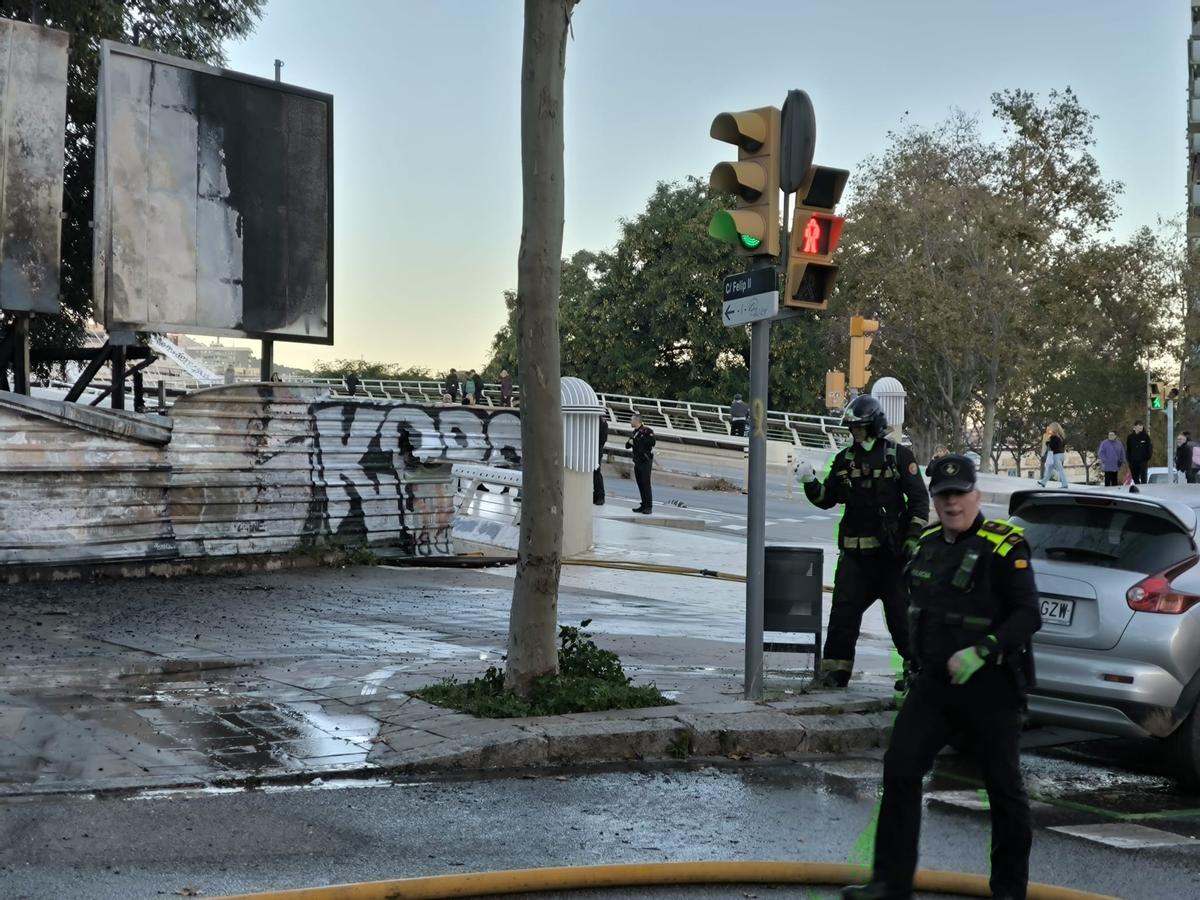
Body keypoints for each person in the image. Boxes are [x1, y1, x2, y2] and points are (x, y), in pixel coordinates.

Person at [842, 454, 1041, 900]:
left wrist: (984, 649)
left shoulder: (1005, 546)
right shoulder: (928, 542)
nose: (952, 503)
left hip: (991, 687)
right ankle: (890, 883)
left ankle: (1009, 891)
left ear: (977, 495)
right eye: (943, 495)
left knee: (1004, 791)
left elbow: (1029, 615)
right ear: (934, 499)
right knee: (900, 769)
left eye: (960, 494)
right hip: (934, 686)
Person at [795, 394, 930, 688]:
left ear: (875, 426)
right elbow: (828, 498)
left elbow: (919, 501)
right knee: (843, 614)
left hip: (890, 558)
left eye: (861, 427)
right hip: (855, 559)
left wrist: (911, 540)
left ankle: (916, 671)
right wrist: (810, 483)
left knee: (900, 617)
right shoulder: (844, 460)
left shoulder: (898, 457)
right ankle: (835, 673)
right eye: (852, 427)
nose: (855, 432)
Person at [626, 413, 656, 514]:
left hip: (645, 461)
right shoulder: (635, 432)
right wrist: (633, 442)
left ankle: (649, 507)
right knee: (640, 484)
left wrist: (636, 441)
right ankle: (643, 505)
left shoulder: (647, 431)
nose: (630, 422)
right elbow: (627, 445)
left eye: (631, 420)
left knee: (646, 484)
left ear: (637, 421)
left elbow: (651, 442)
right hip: (637, 461)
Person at [1036, 422, 1067, 488]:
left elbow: (1051, 446)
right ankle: (1043, 482)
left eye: (1050, 427)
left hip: (1056, 455)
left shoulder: (1054, 437)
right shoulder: (1061, 437)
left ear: (1053, 429)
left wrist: (1047, 442)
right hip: (1061, 454)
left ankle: (1065, 484)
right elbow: (1063, 445)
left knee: (1060, 470)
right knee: (1050, 469)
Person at [1127, 420, 1152, 485]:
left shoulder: (1146, 437)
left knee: (1144, 479)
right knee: (1135, 478)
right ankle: (1138, 488)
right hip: (1133, 462)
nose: (1141, 427)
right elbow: (1128, 449)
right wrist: (1129, 459)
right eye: (1139, 425)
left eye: (1142, 426)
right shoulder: (1130, 437)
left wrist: (1146, 458)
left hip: (1143, 462)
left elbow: (1149, 449)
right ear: (1135, 427)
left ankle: (1144, 491)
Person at [594, 416, 609, 505]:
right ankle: (597, 495)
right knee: (595, 473)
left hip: (596, 448)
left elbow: (602, 439)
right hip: (597, 448)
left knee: (596, 472)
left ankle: (600, 496)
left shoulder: (601, 421)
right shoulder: (601, 421)